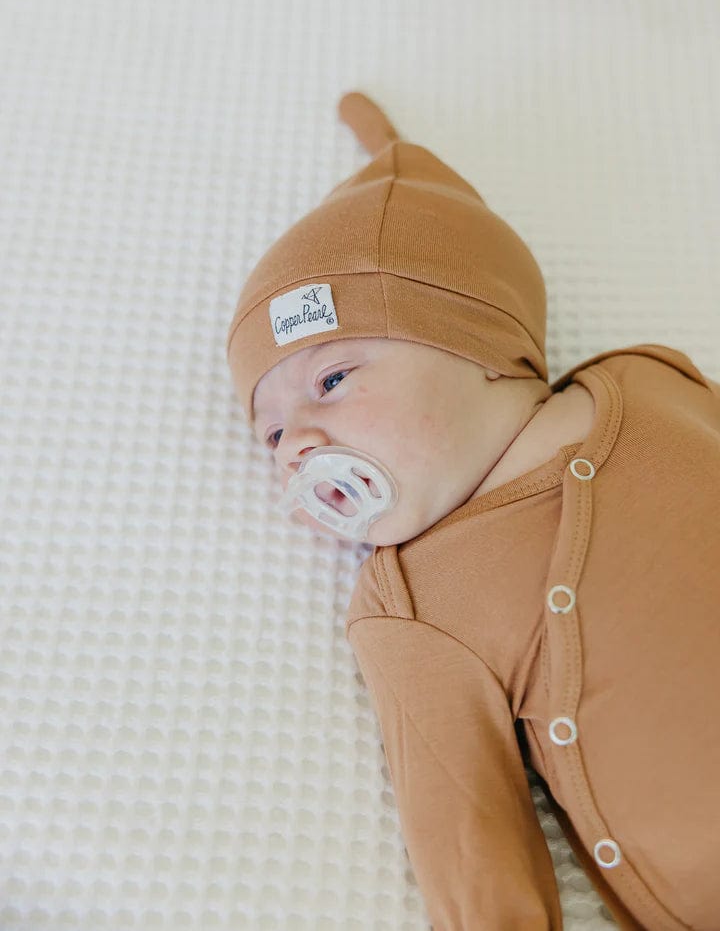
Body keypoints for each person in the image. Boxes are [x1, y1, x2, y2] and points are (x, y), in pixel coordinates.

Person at [226, 92, 720, 930]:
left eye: (333, 380)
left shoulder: (651, 383)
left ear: (478, 342)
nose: (299, 443)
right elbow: (465, 833)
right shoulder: (409, 599)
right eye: (271, 432)